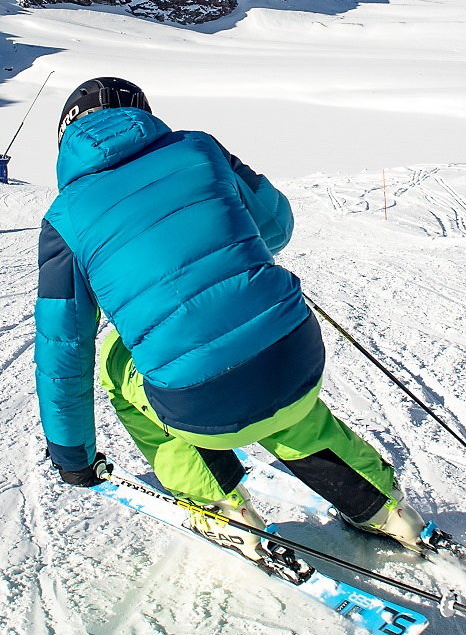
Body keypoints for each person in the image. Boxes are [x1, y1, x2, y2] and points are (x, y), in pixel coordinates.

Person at [35, 77, 430, 568]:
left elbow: (63, 348)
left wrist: (73, 455)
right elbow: (277, 226)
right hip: (293, 353)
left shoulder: (63, 219)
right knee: (284, 405)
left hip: (197, 397)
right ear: (142, 113)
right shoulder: (198, 147)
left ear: (65, 137)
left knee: (119, 364)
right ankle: (387, 512)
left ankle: (223, 509)